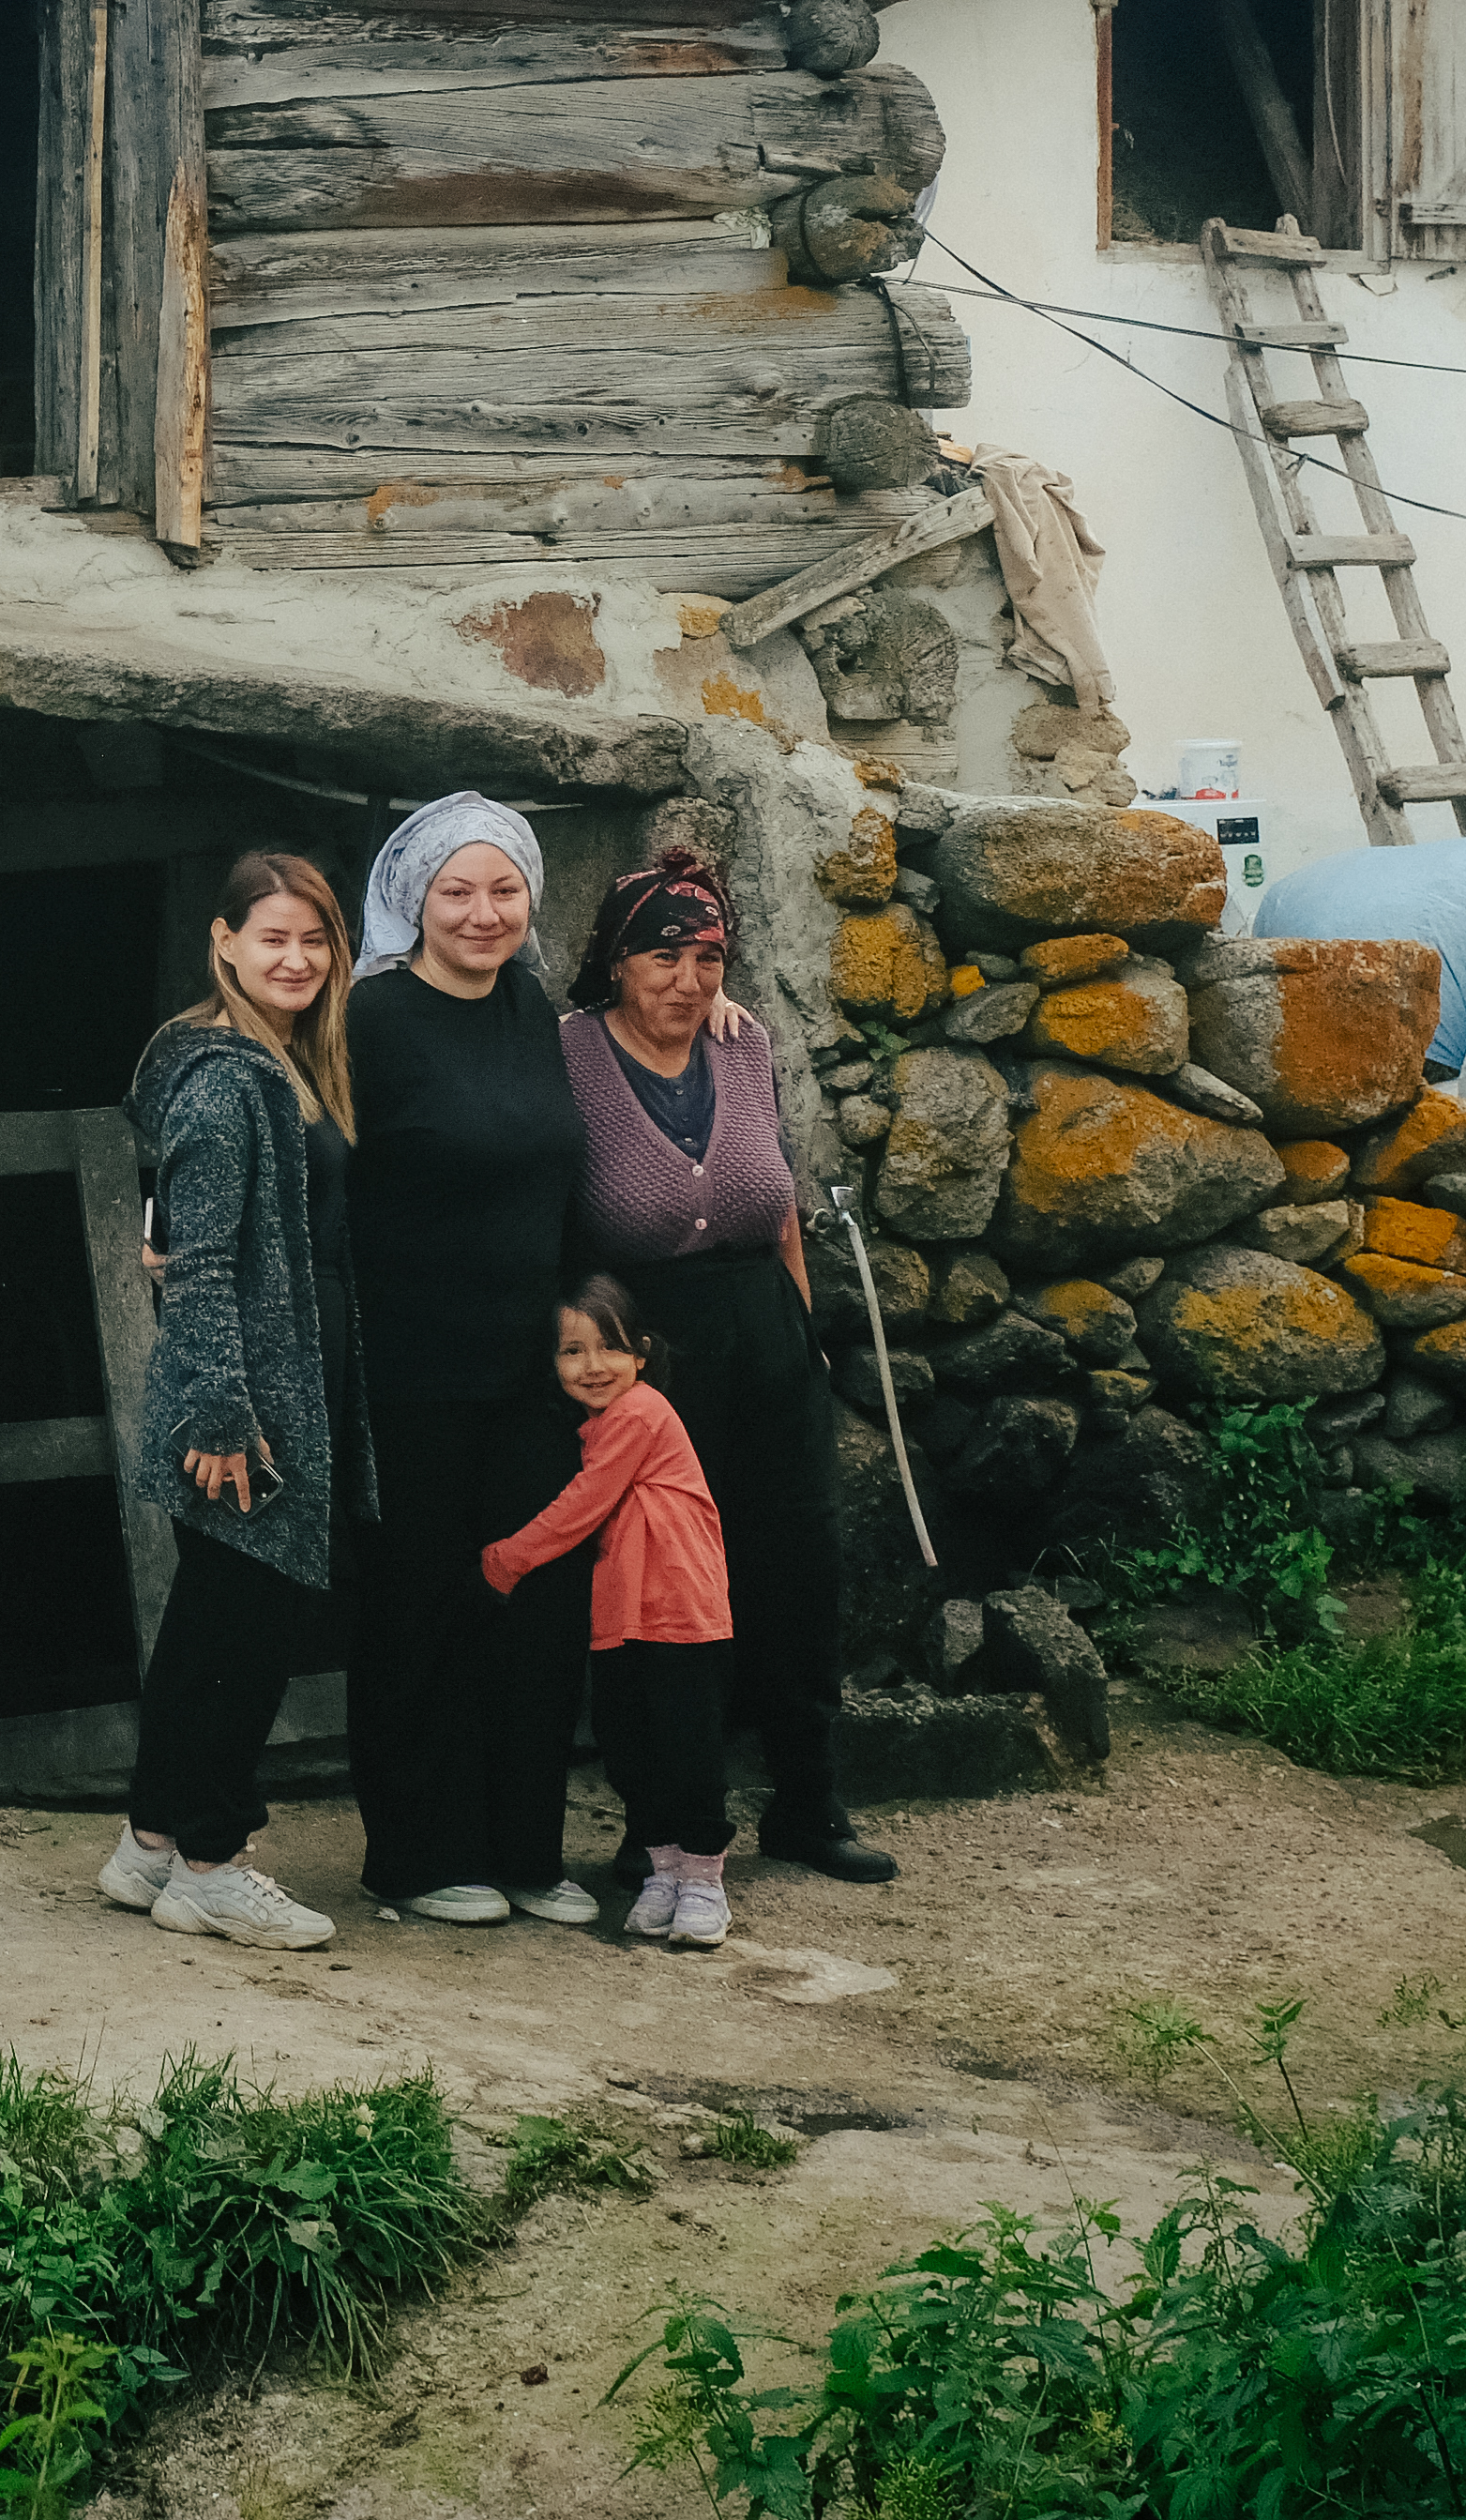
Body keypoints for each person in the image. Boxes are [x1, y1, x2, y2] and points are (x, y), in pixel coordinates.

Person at [560, 852, 898, 1886]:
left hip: (766, 1337)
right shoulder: (566, 1055)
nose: (689, 977)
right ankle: (656, 1822)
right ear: (616, 961)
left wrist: (799, 1328)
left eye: (708, 955)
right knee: (659, 1590)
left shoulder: (742, 1043)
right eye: (664, 954)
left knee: (795, 1570)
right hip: (650, 1355)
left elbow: (780, 1199)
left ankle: (809, 1803)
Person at [339, 793, 603, 1929]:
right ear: (412, 898)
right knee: (420, 1608)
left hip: (529, 1374)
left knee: (536, 1601)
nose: (483, 913)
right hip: (412, 1373)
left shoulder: (533, 1006)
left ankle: (526, 1849)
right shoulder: (370, 1018)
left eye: (504, 890)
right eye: (457, 891)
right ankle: (420, 1852)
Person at [104, 848, 362, 1952]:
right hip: (250, 1399)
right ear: (224, 942)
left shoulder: (290, 1060)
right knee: (246, 1632)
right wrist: (220, 1413)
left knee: (209, 1621)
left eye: (315, 939)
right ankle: (213, 1861)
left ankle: (152, 1840)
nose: (295, 957)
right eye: (273, 937)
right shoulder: (226, 1081)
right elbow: (199, 1262)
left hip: (272, 1384)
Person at [478, 1274, 741, 1945]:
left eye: (609, 1348)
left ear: (642, 1354)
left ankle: (704, 1877)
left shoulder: (640, 1413)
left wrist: (509, 1556)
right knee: (629, 1747)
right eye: (572, 1351)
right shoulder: (597, 1423)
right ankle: (662, 1869)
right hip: (623, 1617)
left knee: (687, 1743)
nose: (592, 1367)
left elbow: (585, 1505)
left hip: (678, 1607)